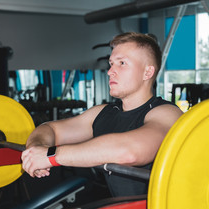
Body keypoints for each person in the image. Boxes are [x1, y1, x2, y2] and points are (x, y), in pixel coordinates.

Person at [21, 32, 183, 197]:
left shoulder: (168, 114)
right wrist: (36, 149)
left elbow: (129, 151)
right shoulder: (103, 113)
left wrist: (50, 156)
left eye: (122, 63)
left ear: (147, 73)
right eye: (111, 64)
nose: (110, 71)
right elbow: (50, 129)